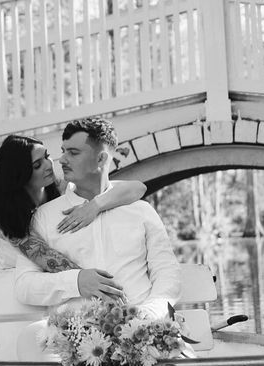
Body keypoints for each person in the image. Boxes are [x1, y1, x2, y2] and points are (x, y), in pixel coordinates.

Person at [14, 117, 181, 320]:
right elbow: (24, 285)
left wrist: (151, 312)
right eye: (63, 151)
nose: (62, 160)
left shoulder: (140, 211)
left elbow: (166, 271)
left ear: (101, 159)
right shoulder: (44, 216)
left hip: (141, 327)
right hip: (75, 335)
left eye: (73, 152)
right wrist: (76, 282)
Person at [0, 133, 146, 274]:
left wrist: (94, 206)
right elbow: (51, 261)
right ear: (19, 175)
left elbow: (137, 188)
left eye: (46, 156)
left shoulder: (61, 188)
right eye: (37, 165)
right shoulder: (6, 217)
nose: (49, 165)